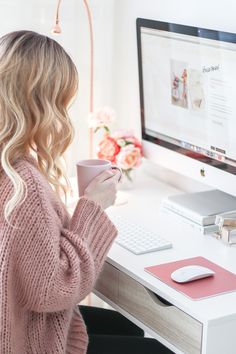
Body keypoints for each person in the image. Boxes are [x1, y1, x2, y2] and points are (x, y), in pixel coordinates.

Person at [0, 30, 173, 354]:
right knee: (159, 349)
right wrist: (92, 207)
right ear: (43, 102)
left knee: (130, 328)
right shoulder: (23, 186)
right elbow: (55, 288)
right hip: (25, 341)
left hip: (13, 325)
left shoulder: (10, 167)